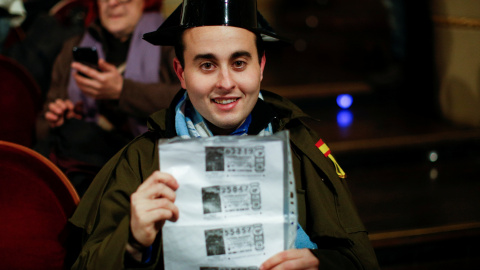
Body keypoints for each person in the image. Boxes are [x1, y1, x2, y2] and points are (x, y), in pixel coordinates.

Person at [69, 0, 380, 269]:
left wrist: (320, 265)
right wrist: (132, 243)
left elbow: (359, 259)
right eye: (206, 65)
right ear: (181, 73)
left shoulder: (300, 145)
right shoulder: (140, 161)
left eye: (239, 62)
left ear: (260, 67)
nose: (226, 82)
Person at [36, 0, 180, 196]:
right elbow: (41, 126)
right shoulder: (74, 47)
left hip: (149, 155)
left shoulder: (170, 42)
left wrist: (123, 91)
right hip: (80, 153)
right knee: (66, 139)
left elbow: (190, 99)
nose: (112, 3)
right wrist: (58, 117)